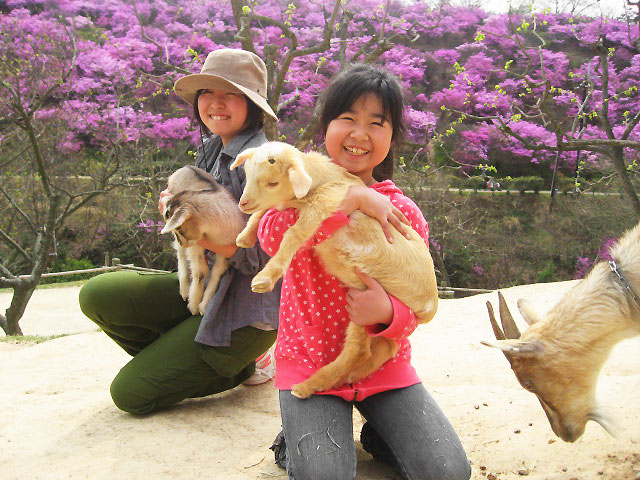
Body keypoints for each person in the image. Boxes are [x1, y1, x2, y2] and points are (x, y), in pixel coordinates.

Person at [259, 64, 471, 479]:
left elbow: (420, 293)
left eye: (377, 123)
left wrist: (389, 314)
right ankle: (297, 439)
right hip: (310, 362)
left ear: (392, 138)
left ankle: (381, 435)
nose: (360, 134)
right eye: (348, 119)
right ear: (326, 127)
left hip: (381, 365)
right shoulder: (295, 191)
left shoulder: (401, 211)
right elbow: (270, 238)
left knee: (448, 472)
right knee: (326, 474)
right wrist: (348, 201)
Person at [78, 49, 280, 414]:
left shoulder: (263, 163)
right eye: (207, 92)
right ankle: (181, 354)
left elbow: (263, 262)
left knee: (131, 395)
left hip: (245, 311)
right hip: (204, 290)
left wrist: (196, 227)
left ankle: (244, 364)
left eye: (230, 93)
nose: (215, 103)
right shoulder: (210, 149)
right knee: (97, 294)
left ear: (252, 105)